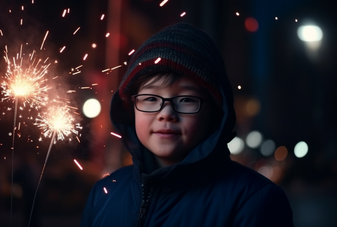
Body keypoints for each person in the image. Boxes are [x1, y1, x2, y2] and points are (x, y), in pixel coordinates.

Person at [80, 23, 294, 227]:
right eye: (151, 99)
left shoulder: (253, 201)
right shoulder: (104, 193)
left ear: (215, 112)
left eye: (186, 100)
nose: (166, 114)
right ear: (131, 107)